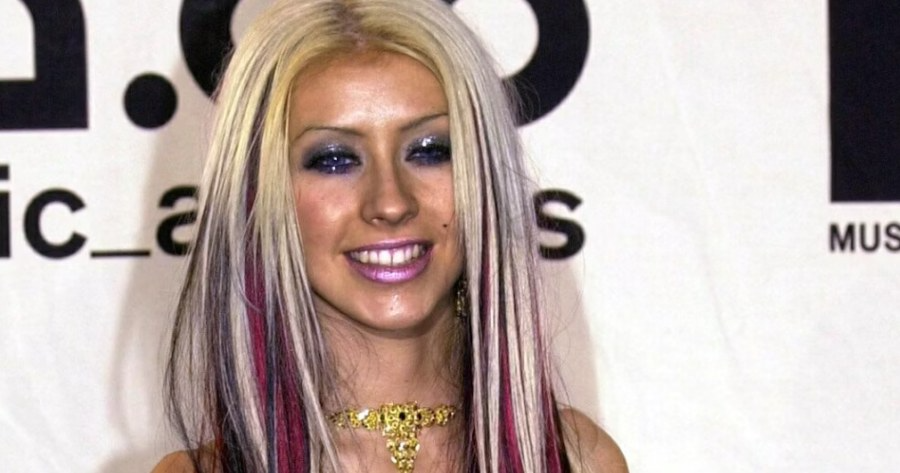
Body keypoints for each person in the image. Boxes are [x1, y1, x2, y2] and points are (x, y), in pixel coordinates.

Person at [153, 0, 627, 472]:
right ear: (259, 195)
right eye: (334, 160)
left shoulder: (576, 458)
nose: (391, 202)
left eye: (430, 150)